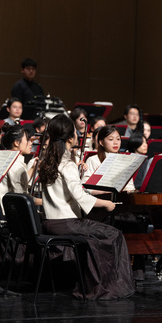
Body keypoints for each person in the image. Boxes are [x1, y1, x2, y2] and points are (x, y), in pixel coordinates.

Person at [38, 115, 134, 300]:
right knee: (114, 234)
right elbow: (80, 195)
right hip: (67, 223)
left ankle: (92, 282)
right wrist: (106, 204)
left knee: (100, 233)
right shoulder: (67, 164)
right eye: (75, 132)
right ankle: (104, 287)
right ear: (70, 138)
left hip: (50, 222)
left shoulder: (47, 161)